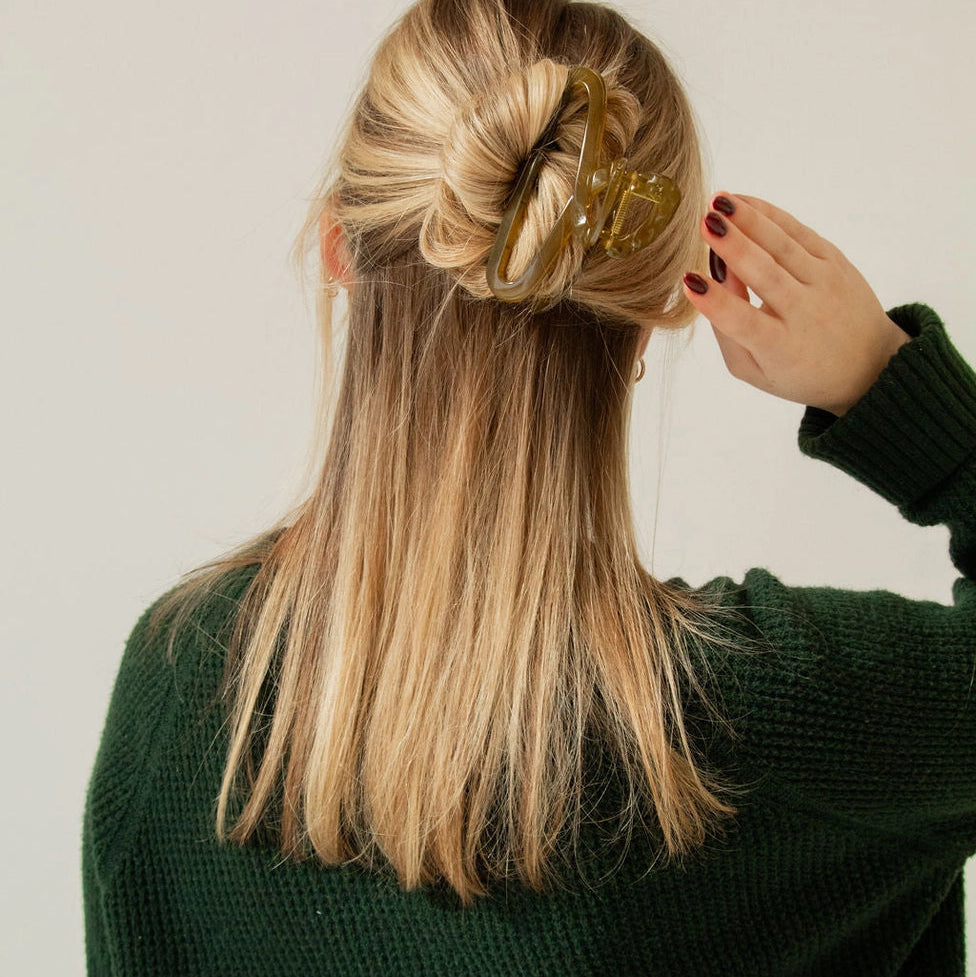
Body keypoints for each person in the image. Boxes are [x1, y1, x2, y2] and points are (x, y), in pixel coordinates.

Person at [81, 0, 976, 974]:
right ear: (654, 307)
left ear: (340, 250)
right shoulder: (775, 725)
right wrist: (891, 389)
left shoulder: (179, 687)